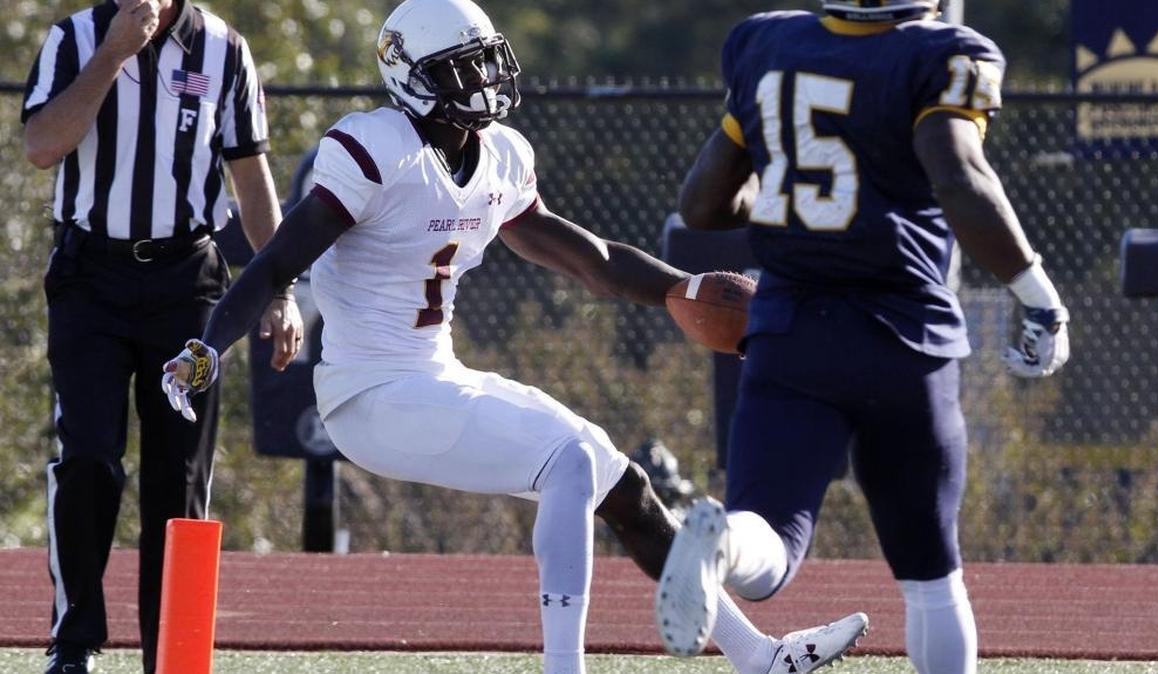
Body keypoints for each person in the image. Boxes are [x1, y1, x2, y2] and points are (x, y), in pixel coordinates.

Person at [159, 0, 867, 672]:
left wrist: (680, 288)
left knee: (623, 485)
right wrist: (206, 348)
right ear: (413, 77)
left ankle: (759, 655)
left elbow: (591, 259)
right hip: (370, 396)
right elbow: (279, 258)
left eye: (487, 60)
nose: (485, 79)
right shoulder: (375, 148)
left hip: (437, 378)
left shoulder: (499, 156)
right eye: (462, 68)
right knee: (568, 462)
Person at [654, 2, 1070, 673]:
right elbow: (958, 176)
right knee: (932, 573)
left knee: (769, 545)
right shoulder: (940, 53)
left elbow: (703, 205)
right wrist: (1039, 295)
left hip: (790, 332)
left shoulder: (769, 41)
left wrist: (784, 191)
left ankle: (723, 542)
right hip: (903, 337)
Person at [21, 1, 302, 672]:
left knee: (179, 475)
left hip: (187, 286)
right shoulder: (74, 38)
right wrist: (114, 53)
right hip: (91, 277)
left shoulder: (224, 49)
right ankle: (75, 638)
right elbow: (41, 147)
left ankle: (170, 652)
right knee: (88, 455)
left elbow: (250, 175)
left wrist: (278, 288)